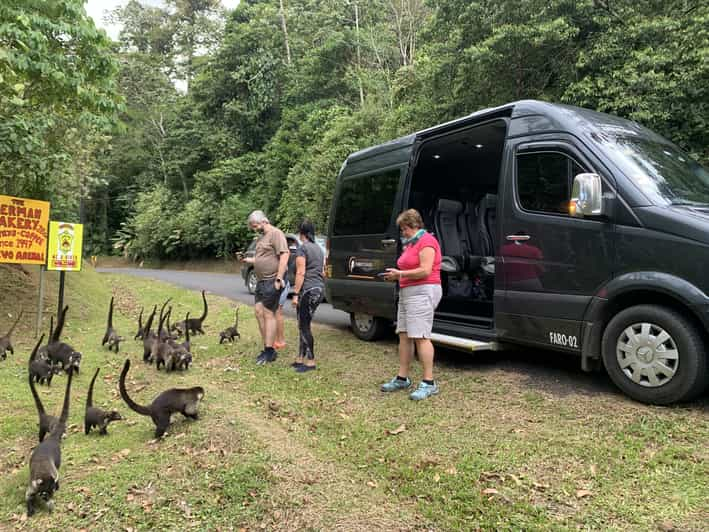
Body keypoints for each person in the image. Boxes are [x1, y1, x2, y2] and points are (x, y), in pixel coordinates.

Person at [381, 208, 442, 400]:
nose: (402, 233)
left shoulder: (427, 242)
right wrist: (396, 277)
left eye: (403, 229)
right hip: (408, 292)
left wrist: (399, 274)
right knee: (405, 336)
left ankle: (429, 382)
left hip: (423, 291)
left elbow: (425, 270)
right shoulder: (411, 244)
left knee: (421, 336)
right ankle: (402, 378)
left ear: (411, 226)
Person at [246, 210, 290, 365]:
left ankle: (270, 352)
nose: (254, 228)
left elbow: (285, 255)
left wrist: (279, 278)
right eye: (252, 226)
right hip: (261, 281)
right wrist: (249, 260)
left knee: (268, 313)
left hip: (272, 280)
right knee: (258, 312)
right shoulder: (261, 238)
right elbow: (261, 258)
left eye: (255, 225)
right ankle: (267, 346)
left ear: (264, 221)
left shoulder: (276, 234)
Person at [291, 220, 324, 373]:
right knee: (303, 323)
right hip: (319, 289)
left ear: (301, 233)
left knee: (304, 326)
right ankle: (300, 358)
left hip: (308, 290)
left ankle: (310, 361)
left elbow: (300, 272)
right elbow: (322, 271)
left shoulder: (302, 248)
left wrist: (296, 294)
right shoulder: (318, 249)